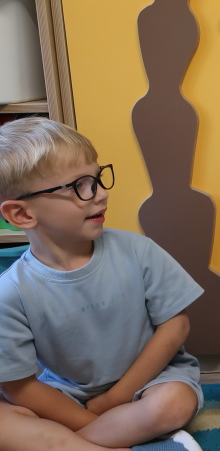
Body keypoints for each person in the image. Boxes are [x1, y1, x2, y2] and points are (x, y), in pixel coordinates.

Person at [0, 117, 205, 451]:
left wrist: (114, 399)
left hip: (151, 382)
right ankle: (117, 441)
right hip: (65, 395)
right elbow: (19, 387)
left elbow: (176, 326)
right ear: (22, 215)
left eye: (96, 179)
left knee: (173, 403)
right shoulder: (10, 292)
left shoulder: (137, 250)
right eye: (79, 185)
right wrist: (89, 419)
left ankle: (69, 444)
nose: (101, 193)